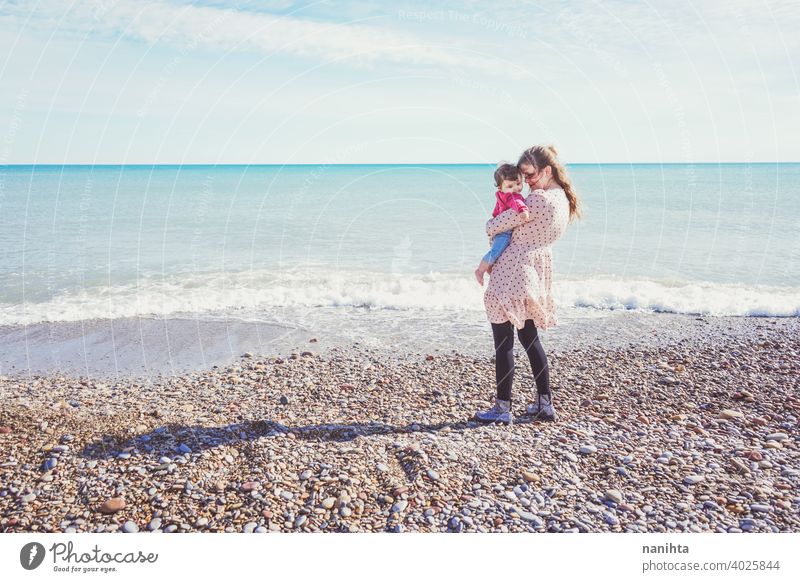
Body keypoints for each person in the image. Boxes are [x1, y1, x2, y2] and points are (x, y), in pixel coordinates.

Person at [475, 144, 582, 424]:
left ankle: (502, 409)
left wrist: (490, 226)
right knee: (530, 339)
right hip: (533, 272)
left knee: (504, 343)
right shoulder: (562, 200)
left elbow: (495, 225)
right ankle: (545, 405)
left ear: (547, 170)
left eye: (530, 175)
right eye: (522, 176)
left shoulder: (537, 201)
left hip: (511, 272)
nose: (526, 183)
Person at [474, 163, 529, 286]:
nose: (515, 188)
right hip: (504, 232)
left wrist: (496, 218)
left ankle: (489, 266)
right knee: (495, 252)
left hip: (498, 229)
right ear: (500, 187)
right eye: (510, 185)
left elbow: (496, 210)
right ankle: (480, 270)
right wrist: (523, 211)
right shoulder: (511, 196)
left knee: (497, 251)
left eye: (519, 183)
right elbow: (516, 202)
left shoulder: (501, 195)